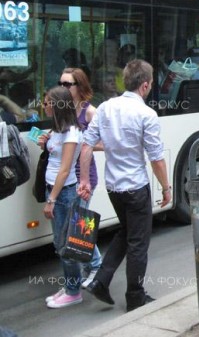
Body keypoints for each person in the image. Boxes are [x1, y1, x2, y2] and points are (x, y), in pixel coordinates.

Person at [78, 59, 171, 312]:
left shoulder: (106, 107)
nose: (150, 87)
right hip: (136, 187)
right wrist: (166, 187)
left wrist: (84, 180)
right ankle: (135, 296)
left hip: (113, 187)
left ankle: (100, 281)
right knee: (139, 242)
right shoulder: (146, 114)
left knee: (126, 231)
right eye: (151, 84)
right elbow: (156, 158)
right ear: (144, 85)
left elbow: (86, 145)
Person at [39, 86, 84, 308]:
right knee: (60, 243)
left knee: (66, 245)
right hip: (55, 190)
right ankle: (70, 285)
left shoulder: (71, 132)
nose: (43, 106)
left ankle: (74, 291)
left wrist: (51, 200)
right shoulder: (57, 130)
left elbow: (65, 170)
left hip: (64, 194)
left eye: (47, 102)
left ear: (58, 105)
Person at [59, 68, 103, 288]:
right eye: (61, 83)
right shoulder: (64, 108)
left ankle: (96, 266)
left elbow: (106, 144)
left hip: (84, 176)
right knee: (74, 226)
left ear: (80, 86)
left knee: (78, 226)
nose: (64, 88)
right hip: (67, 177)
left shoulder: (90, 112)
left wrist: (82, 145)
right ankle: (91, 267)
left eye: (68, 84)